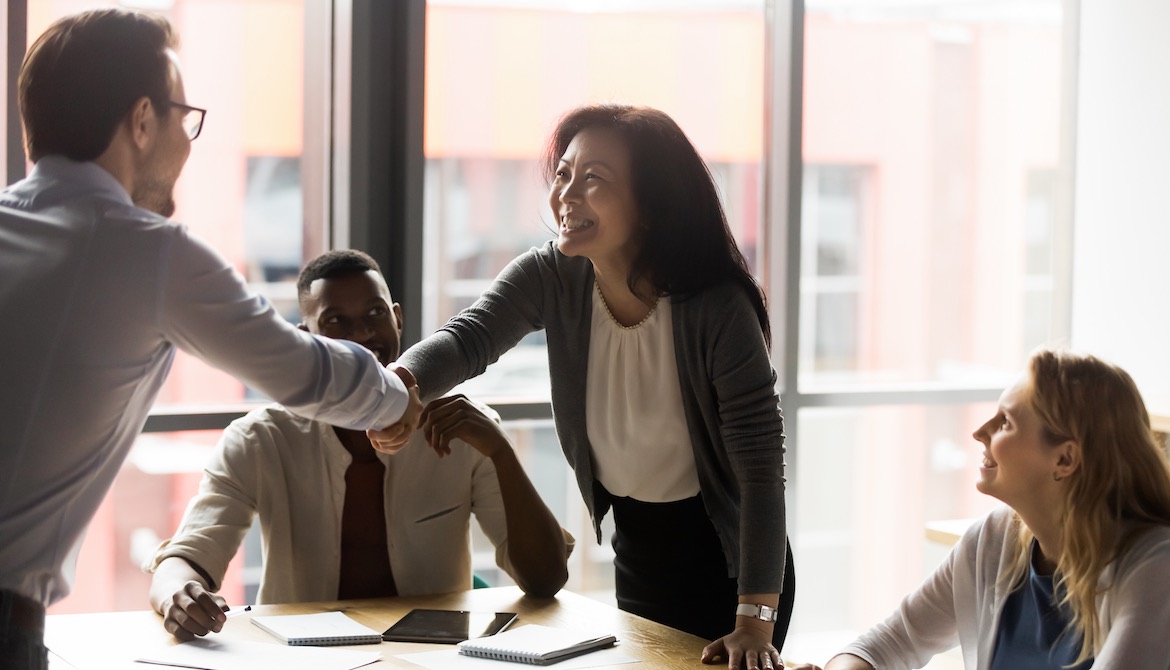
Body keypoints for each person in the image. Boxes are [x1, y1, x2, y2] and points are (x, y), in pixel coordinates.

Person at [0, 10, 420, 668]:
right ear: (142, 120)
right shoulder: (145, 251)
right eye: (183, 116)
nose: (189, 143)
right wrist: (398, 399)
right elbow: (304, 373)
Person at [391, 104, 794, 670]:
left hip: (730, 567)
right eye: (563, 174)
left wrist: (755, 620)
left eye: (594, 179)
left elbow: (759, 466)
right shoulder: (551, 275)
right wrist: (399, 386)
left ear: (652, 206)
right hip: (637, 549)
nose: (567, 194)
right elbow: (469, 338)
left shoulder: (716, 307)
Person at [146, 249, 570, 640]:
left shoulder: (462, 429)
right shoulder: (260, 439)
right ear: (304, 336)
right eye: (335, 321)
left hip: (431, 659)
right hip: (306, 659)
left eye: (374, 313)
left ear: (398, 319)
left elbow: (546, 580)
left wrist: (500, 451)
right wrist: (178, 595)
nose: (362, 334)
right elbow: (188, 558)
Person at [791, 350, 1170, 670]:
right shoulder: (995, 538)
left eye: (1005, 421)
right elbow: (888, 643)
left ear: (1065, 459)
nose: (980, 432)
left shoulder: (1155, 567)